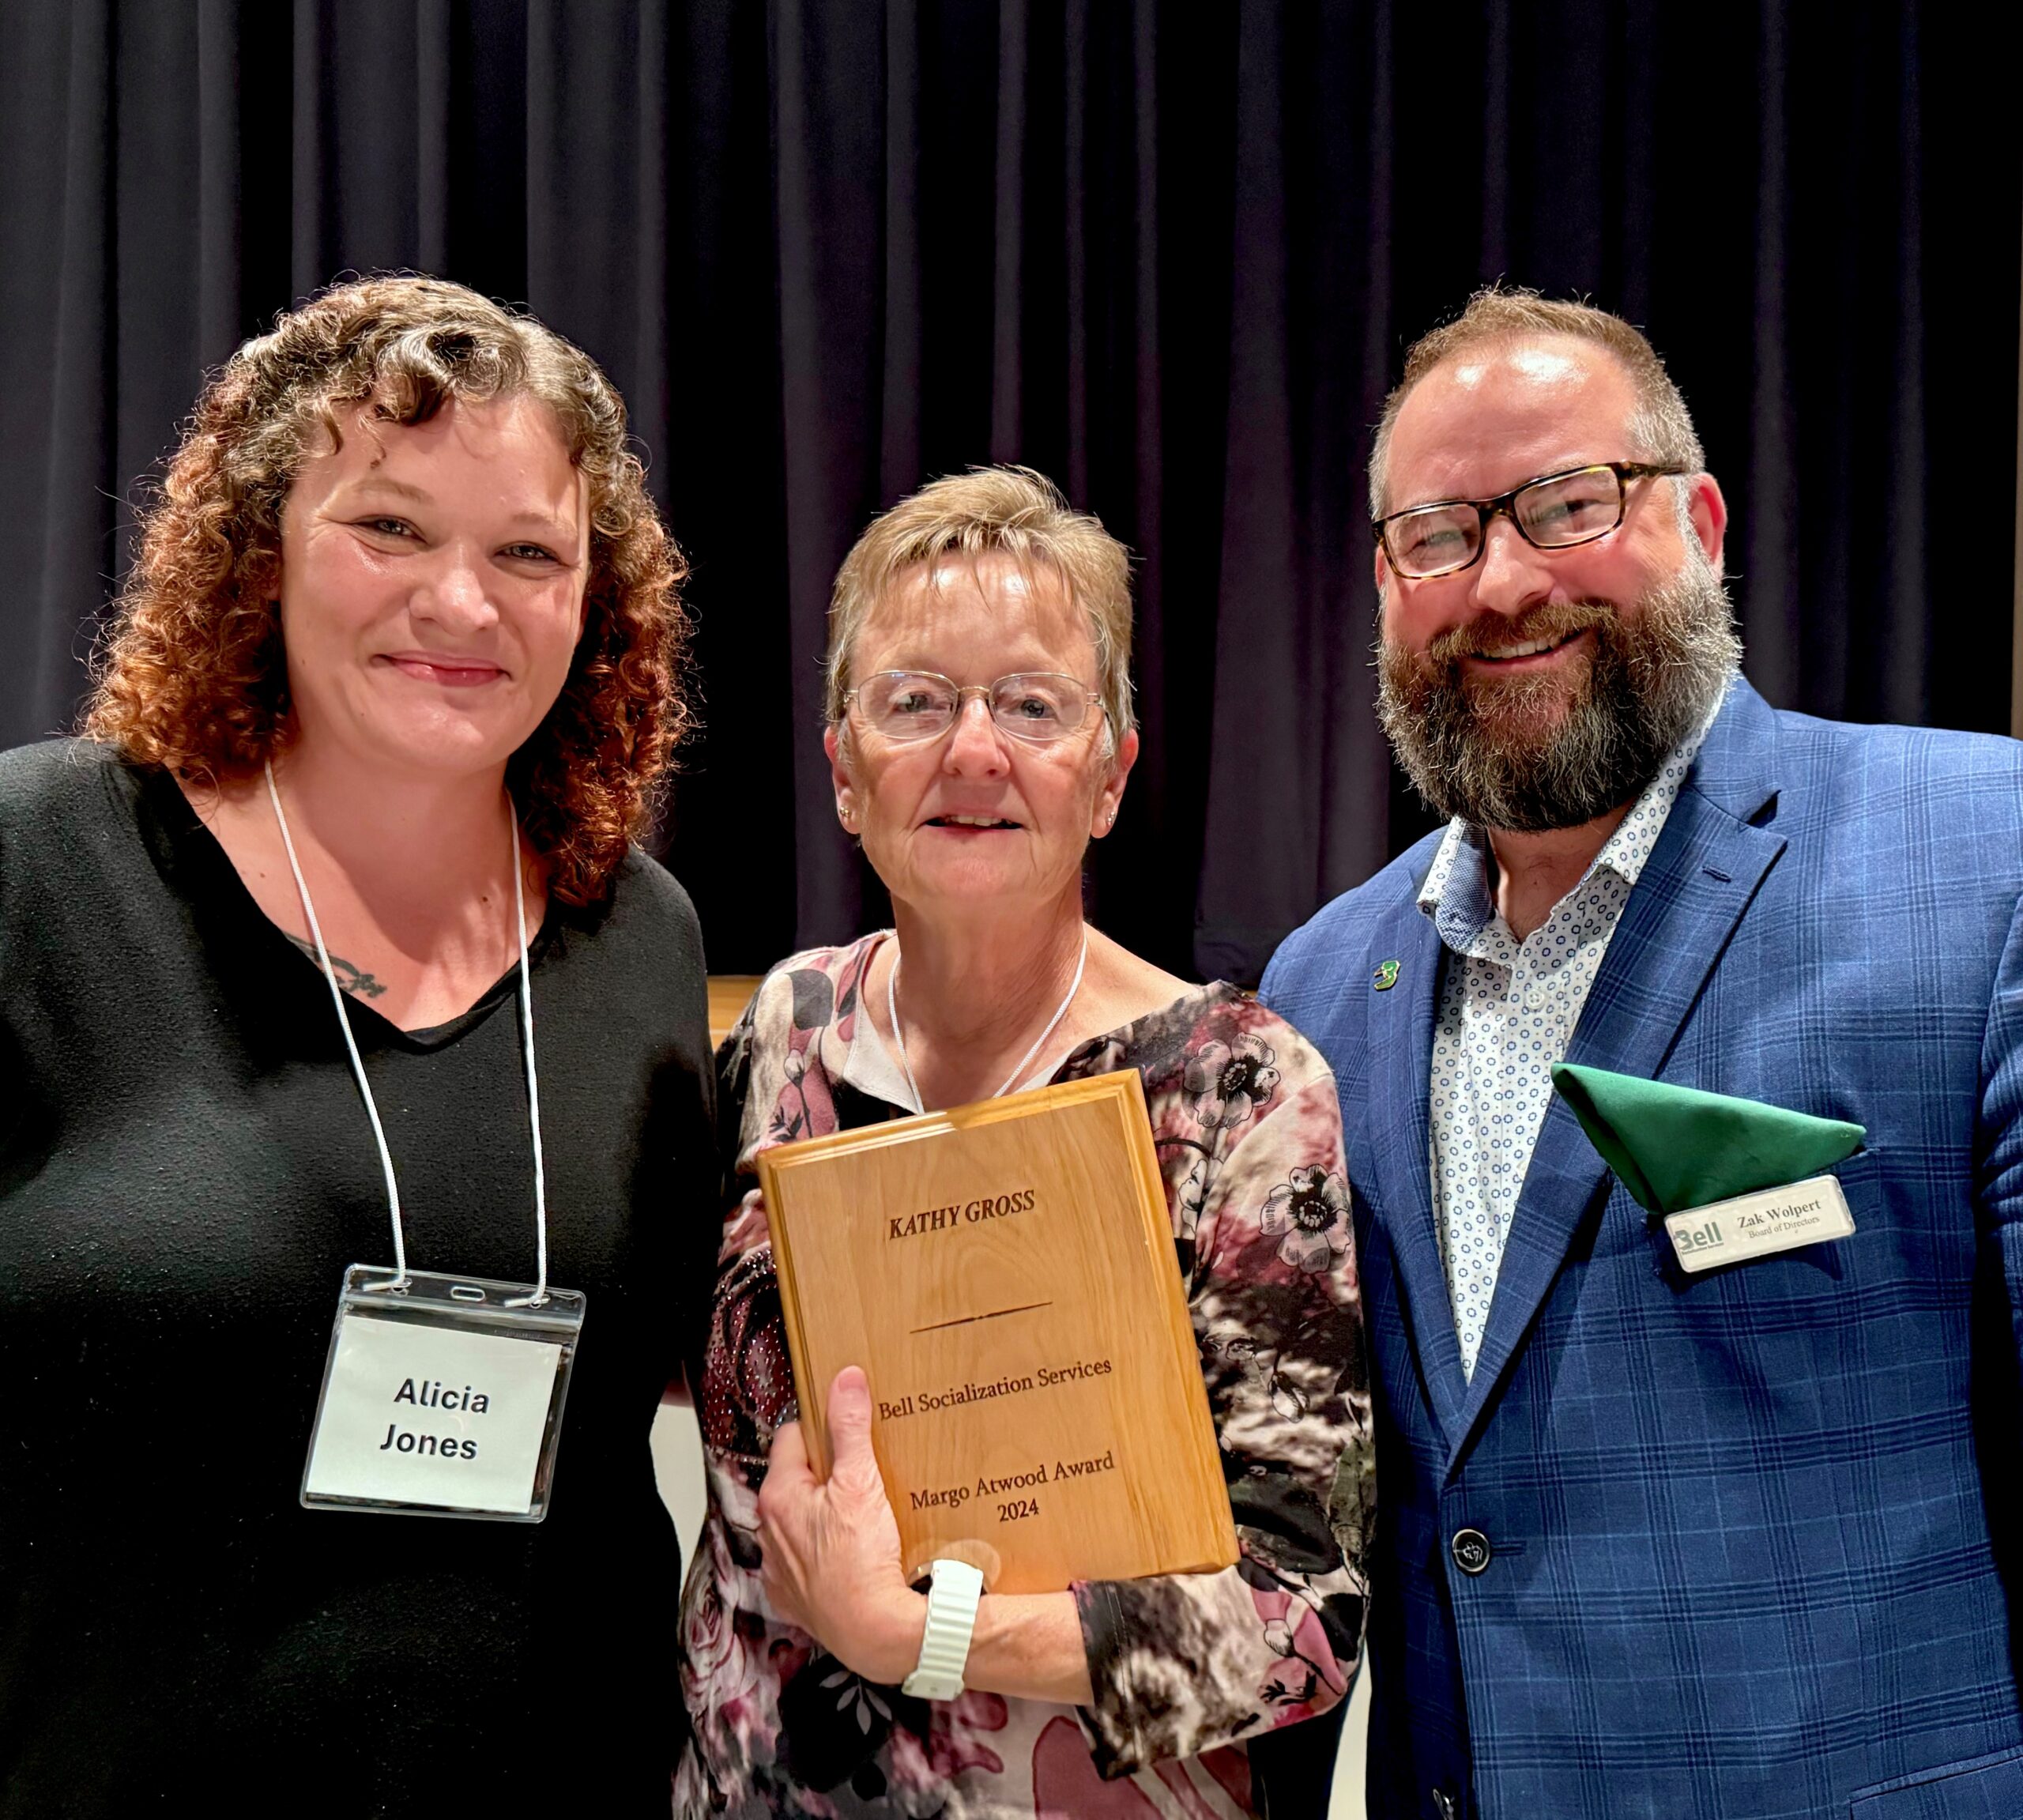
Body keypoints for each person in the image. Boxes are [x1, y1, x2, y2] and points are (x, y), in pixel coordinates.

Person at [1261, 288, 2023, 1819]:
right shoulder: (1320, 987)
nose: (1500, 582)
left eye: (1563, 504)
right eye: (1436, 534)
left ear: (1699, 518)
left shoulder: (1980, 861)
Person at [0, 276, 715, 1813]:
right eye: (389, 528)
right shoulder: (37, 870)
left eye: (527, 552)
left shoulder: (640, 938)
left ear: (597, 599)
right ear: (256, 549)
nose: (462, 602)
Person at [676, 466, 1372, 1817]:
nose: (973, 750)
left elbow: (1305, 1615)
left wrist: (923, 1637)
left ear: (1108, 777)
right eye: (916, 702)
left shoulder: (1235, 1092)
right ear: (843, 773)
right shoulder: (784, 1032)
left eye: (1033, 706)